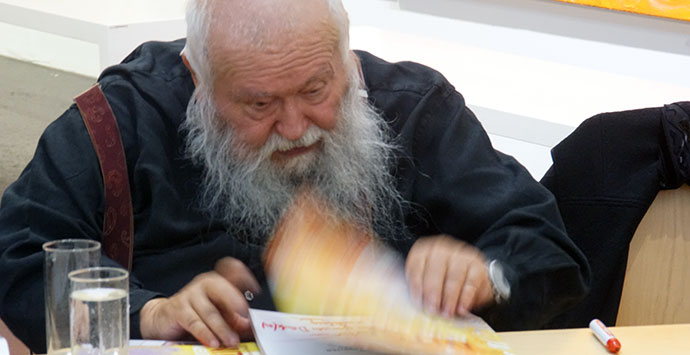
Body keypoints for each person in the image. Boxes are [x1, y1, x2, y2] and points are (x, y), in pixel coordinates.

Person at [0, 0, 589, 352]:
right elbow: (17, 255)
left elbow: (548, 249)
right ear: (198, 83)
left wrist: (486, 276)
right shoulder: (119, 123)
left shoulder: (413, 108)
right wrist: (148, 312)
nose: (295, 126)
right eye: (258, 106)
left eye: (316, 89)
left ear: (344, 59)